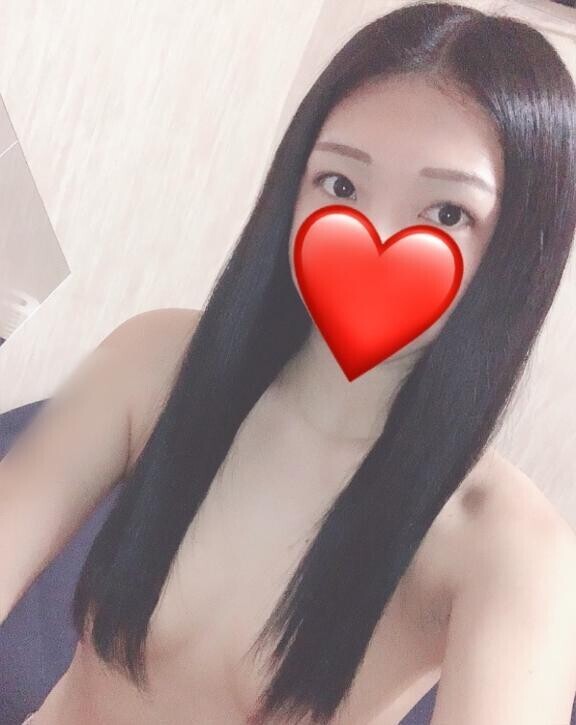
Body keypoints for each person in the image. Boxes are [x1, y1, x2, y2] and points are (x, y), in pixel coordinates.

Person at [4, 2, 576, 723]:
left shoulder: (510, 550)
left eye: (447, 213)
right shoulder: (152, 363)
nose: (373, 235)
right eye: (341, 186)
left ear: (522, 250)